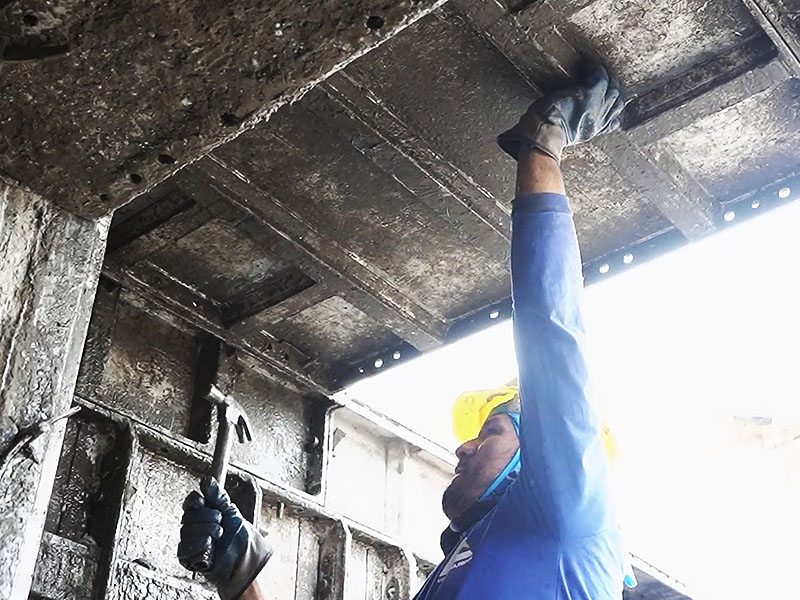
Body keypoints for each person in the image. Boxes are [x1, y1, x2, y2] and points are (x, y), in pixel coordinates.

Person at [177, 66, 626, 600]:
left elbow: (554, 336)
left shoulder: (571, 524)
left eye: (492, 434)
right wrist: (240, 573)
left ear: (544, 459)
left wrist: (542, 151)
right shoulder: (460, 570)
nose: (462, 447)